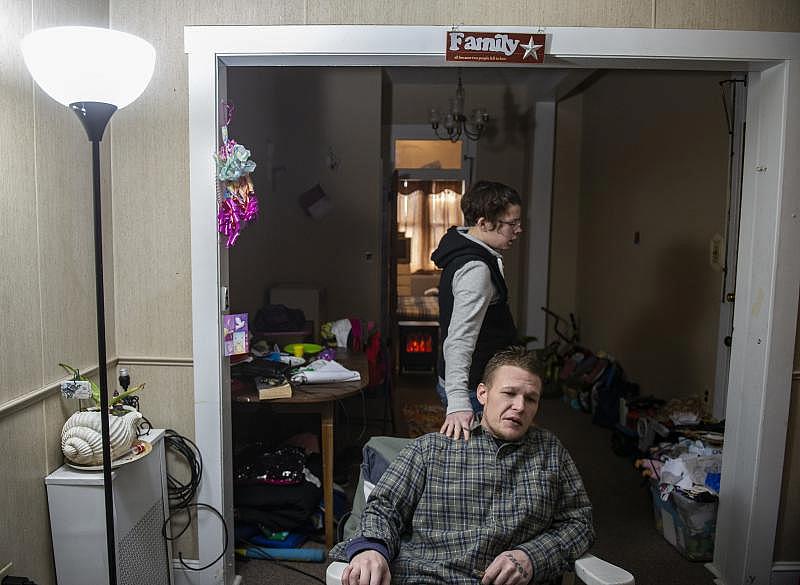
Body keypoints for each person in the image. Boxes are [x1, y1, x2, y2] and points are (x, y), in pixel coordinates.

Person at [330, 347, 594, 585]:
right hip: (425, 575)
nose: (519, 407)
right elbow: (383, 508)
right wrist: (371, 549)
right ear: (482, 393)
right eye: (509, 393)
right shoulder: (430, 449)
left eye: (531, 399)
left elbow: (579, 523)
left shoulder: (551, 452)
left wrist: (532, 557)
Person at [431, 180, 523, 441]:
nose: (519, 229)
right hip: (474, 387)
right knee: (479, 471)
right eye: (511, 223)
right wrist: (459, 402)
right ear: (483, 223)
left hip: (477, 380)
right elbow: (459, 339)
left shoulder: (465, 246)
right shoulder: (476, 270)